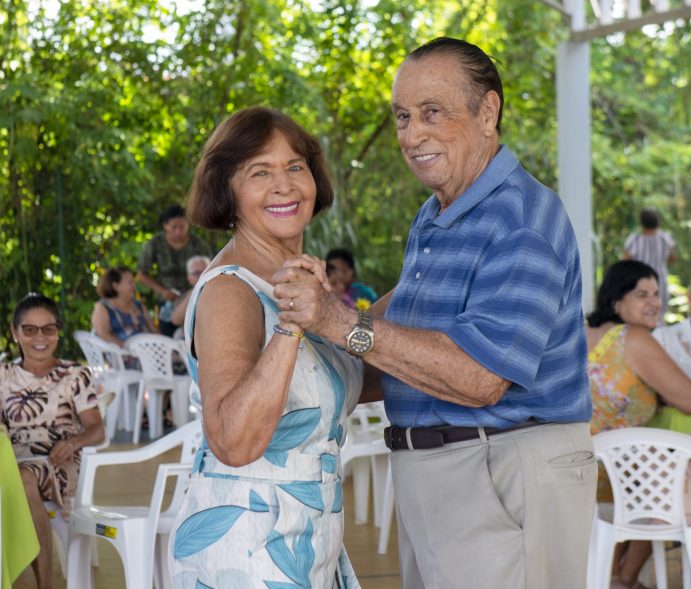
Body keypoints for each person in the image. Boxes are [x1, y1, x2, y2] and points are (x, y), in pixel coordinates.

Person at [274, 37, 596, 588]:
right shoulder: (437, 213)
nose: (411, 134)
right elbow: (401, 330)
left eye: (431, 113)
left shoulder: (521, 219)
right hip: (441, 470)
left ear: (487, 111)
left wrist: (334, 322)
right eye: (402, 116)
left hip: (501, 468)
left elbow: (478, 377)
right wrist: (305, 351)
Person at [167, 106, 364, 586]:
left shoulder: (298, 284)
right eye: (260, 172)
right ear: (227, 191)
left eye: (295, 167)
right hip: (247, 539)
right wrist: (293, 324)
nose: (284, 185)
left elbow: (345, 377)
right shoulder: (231, 290)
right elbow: (233, 439)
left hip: (308, 530)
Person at [0, 293, 104, 589]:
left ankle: (45, 585)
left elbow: (97, 429)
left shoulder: (74, 374)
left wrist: (74, 442)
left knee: (23, 478)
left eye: (48, 329)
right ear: (14, 332)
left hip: (58, 464)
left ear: (57, 331)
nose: (40, 337)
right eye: (30, 329)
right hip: (9, 460)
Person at [586, 260, 691, 588]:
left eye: (657, 293)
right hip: (620, 478)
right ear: (617, 300)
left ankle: (614, 573)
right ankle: (625, 578)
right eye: (642, 294)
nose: (655, 302)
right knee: (675, 471)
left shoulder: (582, 331)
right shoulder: (631, 337)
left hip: (584, 465)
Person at [137, 204, 212, 337]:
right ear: (165, 226)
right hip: (166, 301)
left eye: (182, 227)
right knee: (168, 339)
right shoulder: (156, 244)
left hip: (195, 298)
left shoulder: (198, 244)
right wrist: (162, 291)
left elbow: (210, 270)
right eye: (174, 227)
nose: (178, 232)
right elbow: (142, 273)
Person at [623, 207, 675, 322]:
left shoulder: (634, 240)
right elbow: (672, 259)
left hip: (639, 284)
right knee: (659, 318)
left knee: (639, 317)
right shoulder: (665, 239)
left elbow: (625, 263)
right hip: (660, 283)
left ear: (642, 222)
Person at [91, 266, 156, 346]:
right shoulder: (103, 307)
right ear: (115, 286)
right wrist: (129, 349)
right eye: (130, 282)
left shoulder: (139, 305)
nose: (134, 286)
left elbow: (153, 330)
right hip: (121, 355)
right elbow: (104, 335)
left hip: (149, 352)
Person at [170, 254, 212, 328]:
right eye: (196, 273)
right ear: (189, 279)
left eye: (205, 271)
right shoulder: (186, 295)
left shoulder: (219, 291)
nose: (201, 276)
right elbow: (175, 320)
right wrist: (193, 293)